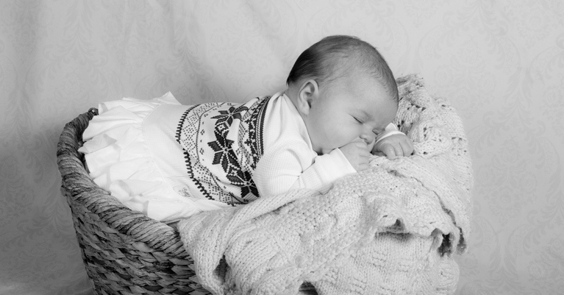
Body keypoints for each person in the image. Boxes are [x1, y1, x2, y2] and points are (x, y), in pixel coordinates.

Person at [80, 35, 414, 222]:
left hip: (185, 124)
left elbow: (370, 112)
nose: (367, 137)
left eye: (376, 127)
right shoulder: (282, 147)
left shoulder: (311, 117)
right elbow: (282, 200)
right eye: (359, 121)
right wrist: (338, 166)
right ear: (309, 98)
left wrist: (388, 133)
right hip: (153, 151)